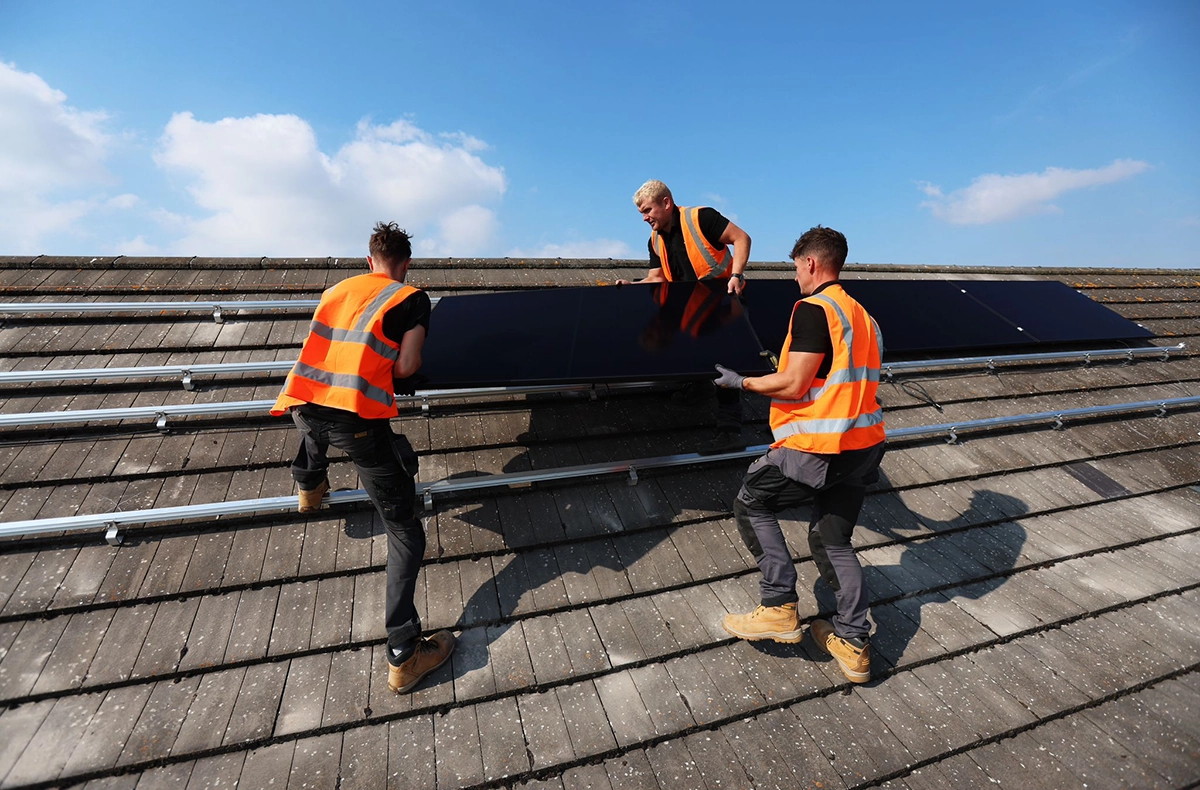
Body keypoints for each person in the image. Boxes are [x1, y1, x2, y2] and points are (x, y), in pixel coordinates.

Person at [270, 222, 454, 694]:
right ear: (405, 264)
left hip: (303, 405)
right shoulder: (411, 299)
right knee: (404, 529)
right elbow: (408, 367)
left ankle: (309, 486)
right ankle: (405, 652)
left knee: (315, 429)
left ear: (368, 259)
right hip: (356, 423)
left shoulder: (338, 290)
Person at [712, 226, 885, 684]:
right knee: (833, 540)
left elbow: (792, 383)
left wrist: (741, 382)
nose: (795, 277)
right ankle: (852, 641)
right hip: (864, 447)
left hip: (821, 447)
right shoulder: (863, 316)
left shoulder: (814, 308)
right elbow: (835, 378)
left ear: (810, 262)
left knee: (752, 501)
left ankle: (777, 608)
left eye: (795, 267)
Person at [619, 179, 753, 451]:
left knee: (724, 364)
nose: (644, 218)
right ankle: (700, 387)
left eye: (647, 211)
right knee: (678, 337)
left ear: (666, 203)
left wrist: (736, 275)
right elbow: (656, 278)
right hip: (694, 309)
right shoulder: (655, 240)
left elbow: (742, 238)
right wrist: (632, 287)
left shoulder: (701, 218)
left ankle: (729, 430)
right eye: (641, 213)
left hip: (725, 302)